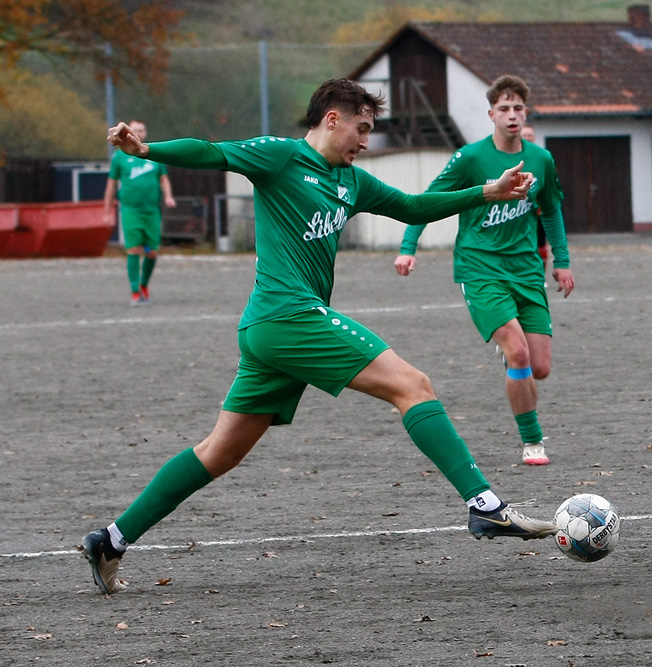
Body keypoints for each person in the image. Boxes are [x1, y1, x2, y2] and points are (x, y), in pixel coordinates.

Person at [82, 78, 558, 596]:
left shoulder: (351, 181)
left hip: (273, 331)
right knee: (413, 385)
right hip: (289, 316)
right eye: (362, 128)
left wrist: (490, 191)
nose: (365, 141)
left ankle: (111, 538)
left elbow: (415, 207)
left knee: (218, 452)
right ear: (333, 118)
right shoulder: (280, 157)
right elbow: (210, 153)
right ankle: (484, 505)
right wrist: (146, 149)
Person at [393, 75, 575, 467]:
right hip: (480, 267)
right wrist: (409, 248)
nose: (512, 115)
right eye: (504, 109)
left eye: (518, 108)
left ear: (526, 113)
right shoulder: (470, 159)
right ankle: (532, 442)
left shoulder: (541, 160)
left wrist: (561, 261)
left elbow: (553, 210)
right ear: (491, 114)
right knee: (520, 352)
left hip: (526, 270)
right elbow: (427, 200)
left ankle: (509, 348)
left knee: (538, 367)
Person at [103, 119, 176, 306]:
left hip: (151, 210)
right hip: (130, 210)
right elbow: (111, 184)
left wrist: (168, 196)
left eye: (142, 130)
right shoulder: (119, 157)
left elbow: (163, 178)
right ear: (127, 132)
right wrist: (107, 211)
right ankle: (135, 291)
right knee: (134, 249)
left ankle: (144, 285)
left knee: (152, 252)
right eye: (135, 130)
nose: (139, 133)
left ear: (146, 133)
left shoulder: (152, 154)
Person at [520, 125, 552, 268]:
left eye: (530, 135)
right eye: (524, 135)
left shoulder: (542, 158)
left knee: (540, 242)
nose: (527, 138)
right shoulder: (515, 159)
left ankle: (541, 275)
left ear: (534, 138)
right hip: (519, 211)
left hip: (538, 210)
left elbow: (550, 184)